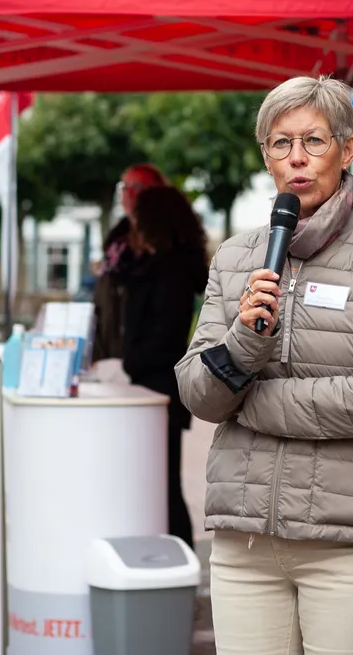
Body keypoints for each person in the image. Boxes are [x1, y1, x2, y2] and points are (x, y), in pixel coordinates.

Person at [175, 76, 353, 655]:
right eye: (280, 143)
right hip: (245, 543)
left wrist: (255, 404)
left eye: (314, 141)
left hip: (351, 544)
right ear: (265, 156)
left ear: (347, 150)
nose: (297, 158)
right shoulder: (236, 257)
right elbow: (197, 391)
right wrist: (243, 343)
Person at [121, 185, 210, 548]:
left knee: (163, 486)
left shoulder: (168, 270)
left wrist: (129, 361)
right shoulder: (167, 266)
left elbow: (164, 337)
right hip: (158, 388)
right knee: (161, 483)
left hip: (158, 390)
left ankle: (178, 558)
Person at [92, 163, 167, 361]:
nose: (129, 194)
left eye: (137, 187)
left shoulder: (166, 245)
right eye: (125, 187)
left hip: (147, 359)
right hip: (109, 349)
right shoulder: (117, 243)